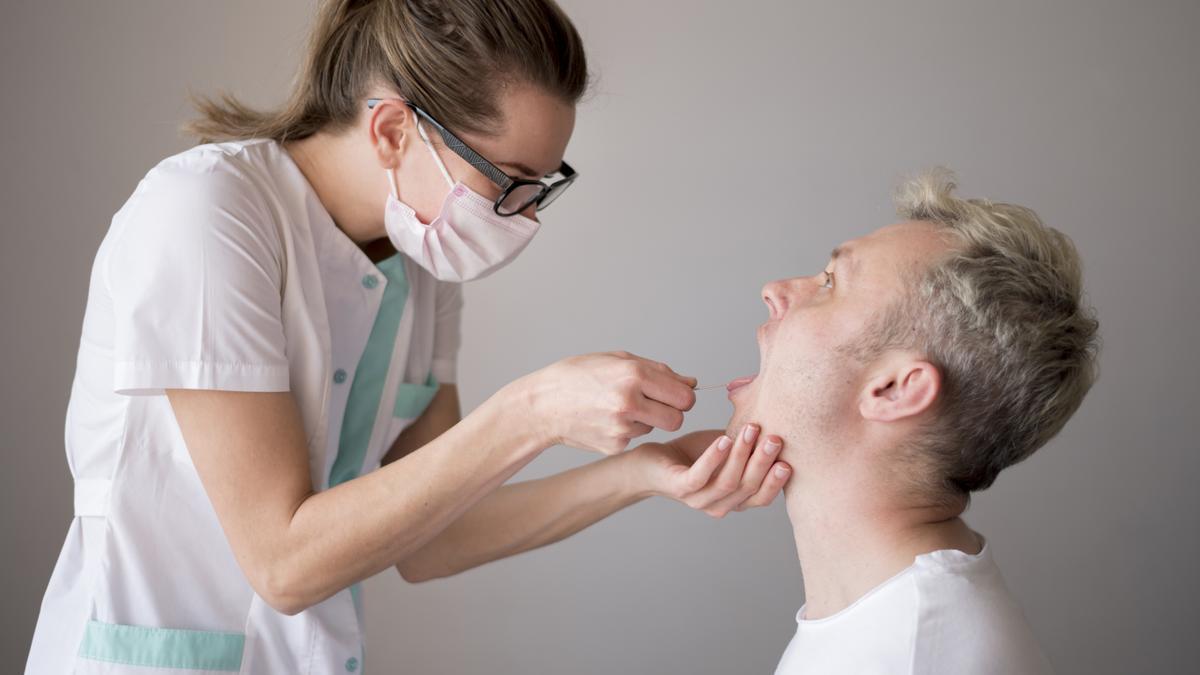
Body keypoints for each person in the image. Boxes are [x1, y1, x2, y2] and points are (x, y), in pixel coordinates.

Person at [25, 1, 791, 672]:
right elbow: (283, 562)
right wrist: (533, 410)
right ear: (393, 130)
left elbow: (433, 541)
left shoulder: (419, 266)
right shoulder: (206, 215)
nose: (524, 217)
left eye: (542, 189)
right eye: (510, 180)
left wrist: (645, 473)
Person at [717, 169, 1098, 674]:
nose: (775, 290)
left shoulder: (912, 654)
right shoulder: (894, 627)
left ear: (896, 389)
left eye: (831, 282)